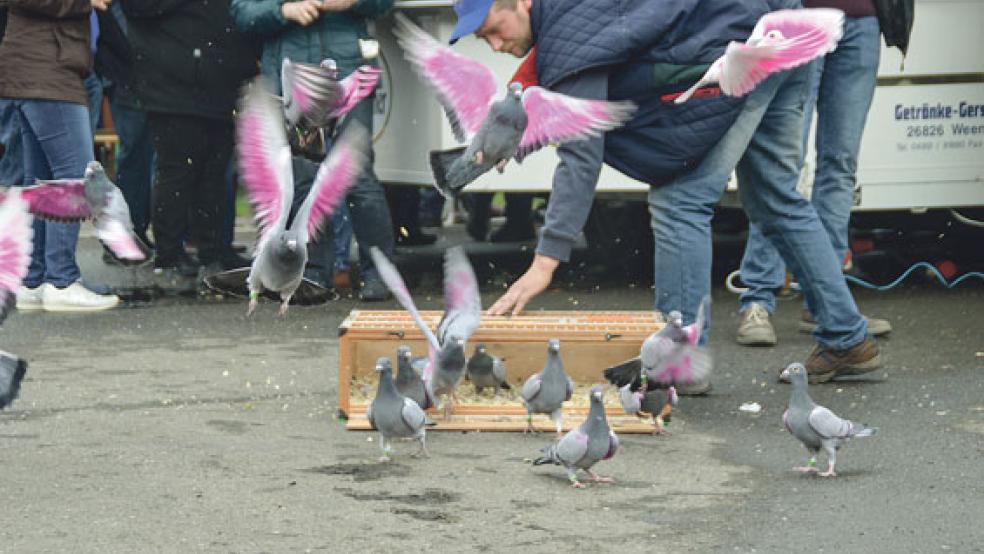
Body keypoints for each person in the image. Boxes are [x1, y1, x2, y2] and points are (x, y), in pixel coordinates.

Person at [467, 0, 883, 385]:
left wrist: (545, 263)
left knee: (679, 202)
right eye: (482, 40)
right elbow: (563, 72)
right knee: (775, 197)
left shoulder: (567, 26)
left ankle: (680, 367)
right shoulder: (565, 17)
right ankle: (846, 337)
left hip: (747, 40)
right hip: (776, 18)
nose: (495, 44)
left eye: (493, 29)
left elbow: (581, 153)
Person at [735, 0, 894, 347]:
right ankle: (758, 300)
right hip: (800, 19)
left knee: (840, 165)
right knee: (779, 171)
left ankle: (827, 305)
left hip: (863, 21)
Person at [230, 0, 398, 301]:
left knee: (358, 178)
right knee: (303, 178)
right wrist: (283, 11)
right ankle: (313, 273)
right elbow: (242, 13)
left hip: (347, 73)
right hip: (292, 78)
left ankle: (379, 275)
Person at [121, 0, 257, 285]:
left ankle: (213, 250)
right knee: (178, 172)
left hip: (217, 79)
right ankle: (169, 255)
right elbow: (138, 8)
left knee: (213, 173)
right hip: (174, 83)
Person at [0, 0, 120, 312]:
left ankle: (36, 279)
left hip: (39, 67)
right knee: (74, 176)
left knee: (42, 180)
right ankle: (62, 280)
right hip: (46, 70)